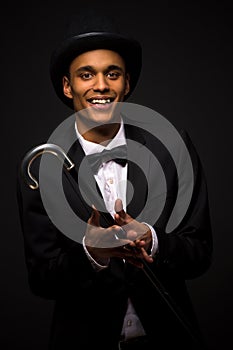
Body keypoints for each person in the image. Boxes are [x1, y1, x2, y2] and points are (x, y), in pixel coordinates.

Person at [17, 9, 213, 350]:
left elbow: (200, 252)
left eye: (112, 73)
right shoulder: (42, 166)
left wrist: (154, 240)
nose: (101, 85)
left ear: (127, 83)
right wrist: (92, 254)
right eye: (86, 75)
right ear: (68, 86)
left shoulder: (172, 146)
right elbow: (42, 279)